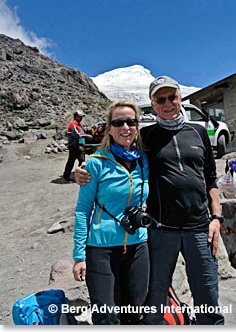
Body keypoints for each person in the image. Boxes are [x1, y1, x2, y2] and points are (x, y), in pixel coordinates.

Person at [75, 76, 225, 325]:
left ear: (180, 98)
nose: (167, 103)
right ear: (153, 104)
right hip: (160, 230)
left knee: (208, 297)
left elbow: (211, 179)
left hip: (199, 228)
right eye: (160, 99)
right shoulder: (146, 137)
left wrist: (217, 218)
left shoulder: (198, 131)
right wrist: (82, 170)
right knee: (154, 300)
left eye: (172, 97)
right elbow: (116, 151)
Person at [72, 101, 150, 325]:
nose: (125, 127)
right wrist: (79, 256)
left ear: (137, 126)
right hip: (101, 248)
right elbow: (82, 210)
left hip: (138, 245)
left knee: (135, 310)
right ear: (109, 128)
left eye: (131, 121)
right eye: (118, 122)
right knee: (106, 314)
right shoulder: (95, 164)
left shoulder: (143, 160)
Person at [63, 110, 92, 182]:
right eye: (80, 116)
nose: (81, 118)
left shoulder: (78, 124)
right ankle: (66, 176)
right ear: (76, 116)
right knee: (71, 161)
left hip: (80, 146)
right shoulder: (73, 124)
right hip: (74, 145)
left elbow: (81, 131)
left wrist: (87, 129)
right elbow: (76, 134)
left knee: (82, 161)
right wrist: (86, 135)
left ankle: (80, 176)